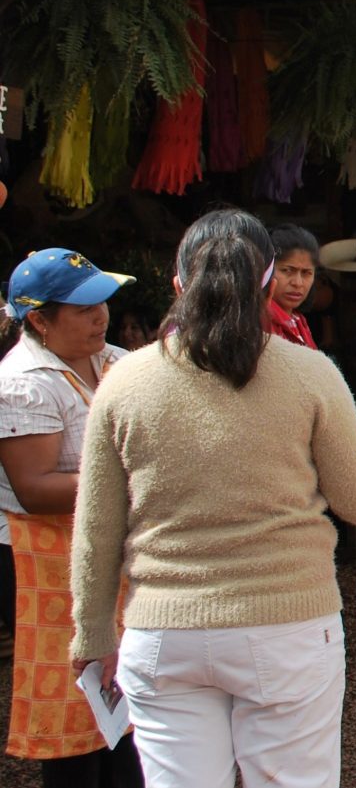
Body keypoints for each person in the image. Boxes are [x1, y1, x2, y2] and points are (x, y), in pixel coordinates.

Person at [70, 209, 356, 787]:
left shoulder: (122, 381)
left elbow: (96, 528)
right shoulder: (311, 374)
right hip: (288, 625)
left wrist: (92, 634)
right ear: (266, 287)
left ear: (177, 284)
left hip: (163, 632)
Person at [1, 248, 144, 786]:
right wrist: (136, 480)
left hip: (117, 545)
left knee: (127, 701)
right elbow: (35, 489)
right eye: (84, 308)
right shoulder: (21, 381)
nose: (101, 314)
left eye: (103, 300)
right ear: (39, 319)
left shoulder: (119, 361)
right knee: (70, 704)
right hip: (48, 557)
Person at [265, 224, 321, 348]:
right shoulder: (260, 322)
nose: (298, 283)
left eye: (306, 273)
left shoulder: (299, 320)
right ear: (266, 270)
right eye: (287, 270)